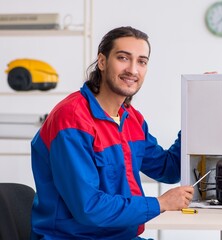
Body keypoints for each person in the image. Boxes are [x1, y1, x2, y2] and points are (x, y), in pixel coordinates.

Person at [31, 26, 194, 239]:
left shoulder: (131, 119)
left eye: (142, 62)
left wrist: (194, 113)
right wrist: (160, 203)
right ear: (102, 62)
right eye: (123, 58)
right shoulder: (71, 119)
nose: (133, 70)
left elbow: (169, 169)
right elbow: (89, 207)